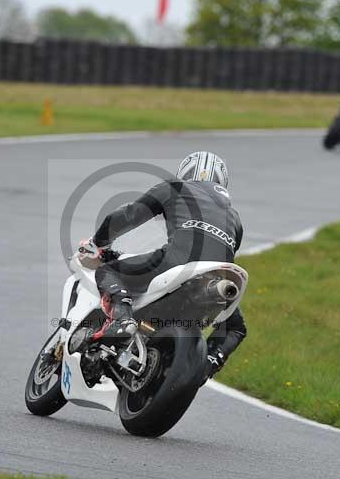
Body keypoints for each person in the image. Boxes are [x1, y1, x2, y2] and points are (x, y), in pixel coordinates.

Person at [79, 152, 247, 379]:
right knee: (236, 327)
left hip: (177, 262)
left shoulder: (175, 188)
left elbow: (127, 216)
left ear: (185, 173)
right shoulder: (234, 218)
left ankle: (123, 319)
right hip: (219, 280)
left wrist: (97, 243)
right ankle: (205, 367)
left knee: (108, 272)